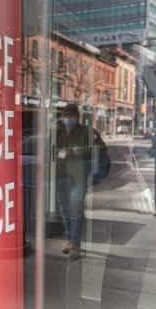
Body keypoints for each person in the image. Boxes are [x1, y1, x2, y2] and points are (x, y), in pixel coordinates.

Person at [55, 104, 91, 259]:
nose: (68, 119)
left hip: (78, 176)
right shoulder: (58, 131)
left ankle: (75, 244)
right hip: (61, 174)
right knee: (65, 210)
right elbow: (50, 148)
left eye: (71, 117)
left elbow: (96, 148)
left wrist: (78, 150)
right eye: (65, 116)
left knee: (76, 208)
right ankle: (70, 240)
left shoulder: (85, 131)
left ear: (77, 118)